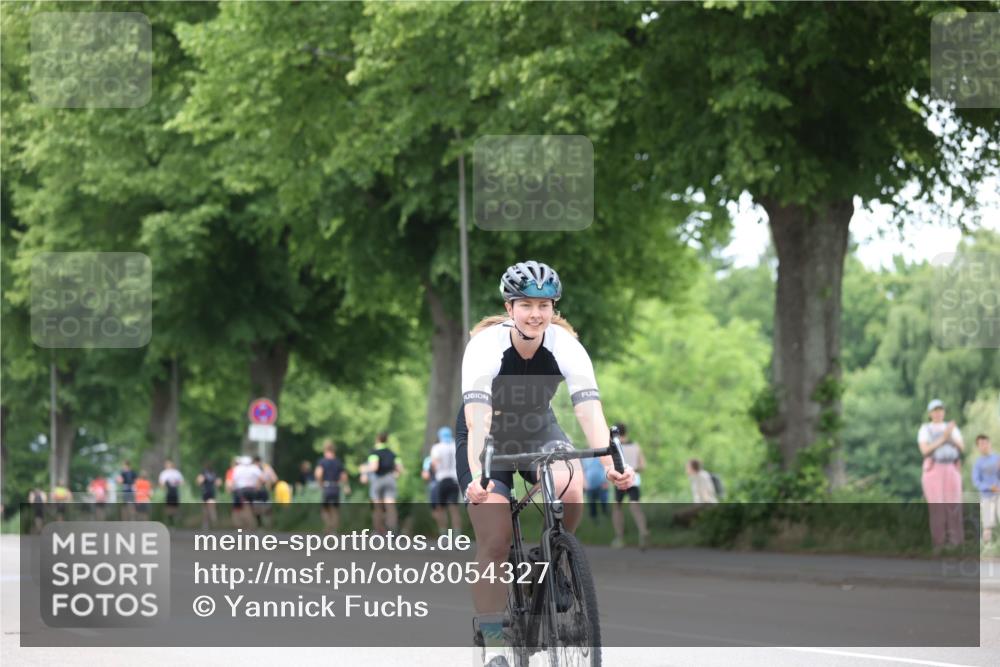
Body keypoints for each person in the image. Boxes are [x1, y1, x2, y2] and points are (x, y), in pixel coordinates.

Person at [456, 260, 635, 665]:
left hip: (538, 427)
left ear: (553, 307)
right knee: (495, 538)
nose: (536, 313)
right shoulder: (485, 347)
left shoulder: (565, 345)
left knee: (571, 481)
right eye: (526, 304)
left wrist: (609, 461)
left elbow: (589, 410)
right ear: (509, 308)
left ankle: (553, 556)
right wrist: (479, 472)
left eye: (545, 304)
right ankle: (493, 646)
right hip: (486, 435)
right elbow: (477, 418)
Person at [918, 399, 965, 552]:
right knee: (937, 508)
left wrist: (949, 436)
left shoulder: (951, 428)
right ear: (930, 413)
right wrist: (943, 438)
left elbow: (961, 447)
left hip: (951, 467)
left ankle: (956, 544)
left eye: (940, 410)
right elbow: (925, 450)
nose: (938, 413)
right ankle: (939, 544)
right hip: (934, 468)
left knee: (954, 507)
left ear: (944, 411)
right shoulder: (925, 428)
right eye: (935, 410)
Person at [611, 423, 649, 549]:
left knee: (617, 508)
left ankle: (619, 537)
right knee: (635, 507)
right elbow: (643, 466)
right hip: (634, 479)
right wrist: (632, 468)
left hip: (620, 479)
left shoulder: (615, 447)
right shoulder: (636, 446)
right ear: (626, 432)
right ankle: (643, 532)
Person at [361, 431, 403, 534]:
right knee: (390, 506)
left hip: (378, 479)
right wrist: (394, 475)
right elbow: (400, 469)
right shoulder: (392, 453)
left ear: (377, 439)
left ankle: (378, 530)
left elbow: (374, 467)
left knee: (377, 507)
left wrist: (364, 469)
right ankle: (393, 530)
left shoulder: (374, 453)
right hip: (390, 479)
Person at [430, 426, 462, 535]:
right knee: (454, 510)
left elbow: (434, 464)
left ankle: (444, 535)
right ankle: (457, 535)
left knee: (441, 509)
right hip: (454, 480)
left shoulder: (437, 447)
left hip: (442, 480)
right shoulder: (455, 446)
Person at [315, 440, 350, 534]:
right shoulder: (338, 462)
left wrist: (320, 484)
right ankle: (333, 530)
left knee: (324, 509)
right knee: (335, 510)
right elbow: (344, 475)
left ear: (325, 450)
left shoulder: (322, 461)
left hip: (326, 486)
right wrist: (346, 486)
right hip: (336, 487)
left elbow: (318, 474)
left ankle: (328, 524)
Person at [972, 434, 999, 546]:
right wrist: (989, 487)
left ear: (989, 443)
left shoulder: (998, 458)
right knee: (987, 525)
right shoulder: (978, 463)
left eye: (986, 443)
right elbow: (976, 482)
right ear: (978, 447)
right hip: (987, 496)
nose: (984, 446)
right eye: (981, 444)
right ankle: (986, 550)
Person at [230, 455, 262, 529]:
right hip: (252, 490)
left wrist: (232, 489)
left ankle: (248, 525)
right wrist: (258, 486)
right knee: (251, 507)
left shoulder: (237, 469)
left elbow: (233, 481)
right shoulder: (254, 468)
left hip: (242, 490)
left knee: (244, 508)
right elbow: (262, 478)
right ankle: (253, 524)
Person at [252, 455, 278, 527]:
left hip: (257, 490)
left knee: (258, 507)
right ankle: (269, 523)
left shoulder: (253, 468)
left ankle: (261, 524)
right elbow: (275, 479)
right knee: (266, 507)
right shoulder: (267, 467)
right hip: (264, 490)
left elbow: (274, 479)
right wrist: (269, 483)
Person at [583, 456, 610, 522]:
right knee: (592, 506)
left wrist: (605, 482)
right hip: (590, 486)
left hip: (601, 484)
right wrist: (585, 484)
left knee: (604, 504)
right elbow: (583, 471)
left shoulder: (600, 457)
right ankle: (594, 521)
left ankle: (607, 519)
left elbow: (606, 468)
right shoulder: (584, 458)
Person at [158, 460, 185, 526]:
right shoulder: (164, 473)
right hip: (168, 491)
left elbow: (182, 482)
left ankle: (176, 522)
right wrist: (164, 486)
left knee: (175, 507)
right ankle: (170, 521)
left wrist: (176, 483)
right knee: (168, 507)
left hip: (175, 491)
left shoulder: (176, 473)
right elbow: (161, 483)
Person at [196, 463, 221, 529]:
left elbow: (199, 482)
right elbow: (218, 483)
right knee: (210, 509)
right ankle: (212, 524)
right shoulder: (214, 473)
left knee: (207, 509)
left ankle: (208, 524)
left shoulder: (203, 473)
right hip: (210, 492)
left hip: (206, 492)